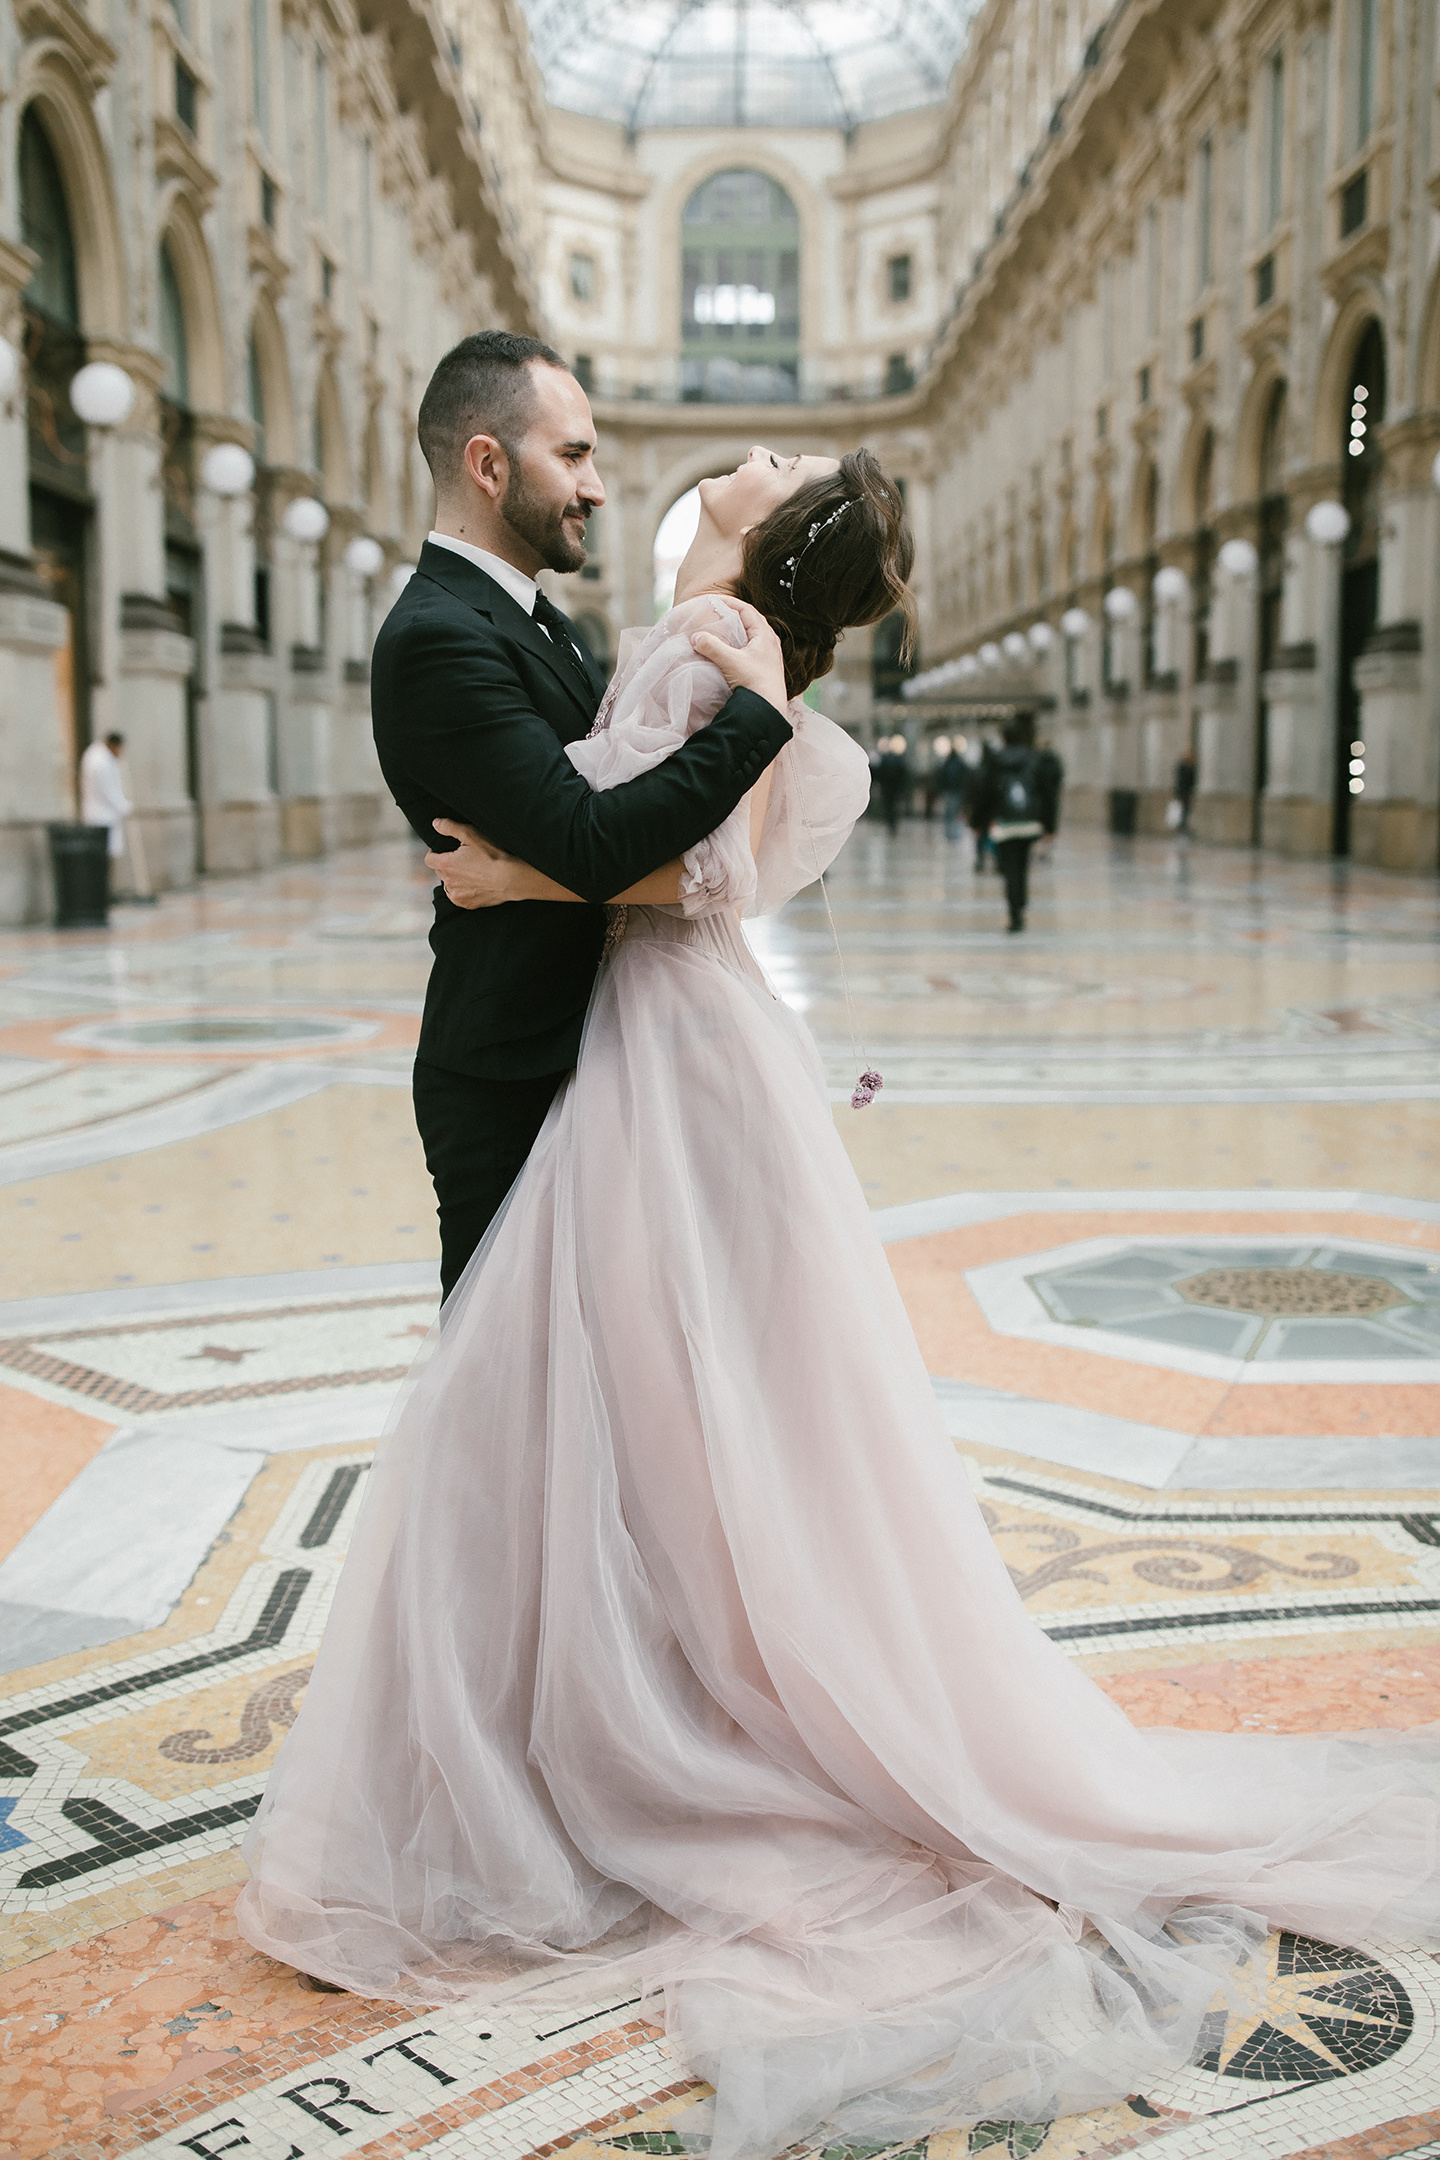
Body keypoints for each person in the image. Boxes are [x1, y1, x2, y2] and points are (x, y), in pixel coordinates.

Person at [239, 447, 1440, 2160]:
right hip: (664, 1040)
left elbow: (701, 871)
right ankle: (642, 1676)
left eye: (783, 465)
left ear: (777, 534)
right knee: (655, 1382)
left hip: (671, 1039)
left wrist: (526, 879)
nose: (754, 453)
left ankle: (645, 1708)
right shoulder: (704, 621)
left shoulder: (723, 634)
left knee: (633, 1375)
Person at [369, 331, 795, 1299]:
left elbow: (602, 812)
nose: (596, 487)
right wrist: (756, 723)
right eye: (572, 456)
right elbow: (593, 839)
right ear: (487, 464)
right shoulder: (440, 638)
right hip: (509, 1075)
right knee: (507, 1400)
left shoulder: (535, 620)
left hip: (585, 1048)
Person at [969, 716, 1057, 931]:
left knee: (1009, 868)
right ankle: (1021, 901)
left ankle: (1014, 912)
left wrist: (977, 823)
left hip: (1004, 824)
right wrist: (1050, 825)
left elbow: (986, 794)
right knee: (1023, 865)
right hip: (1028, 823)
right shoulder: (1033, 759)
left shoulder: (996, 761)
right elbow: (1046, 793)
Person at [79, 731, 131, 884]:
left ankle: (106, 889)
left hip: (103, 815)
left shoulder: (99, 757)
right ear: (113, 745)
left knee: (106, 856)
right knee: (102, 857)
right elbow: (108, 791)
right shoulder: (100, 762)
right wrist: (125, 807)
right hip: (101, 817)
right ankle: (103, 890)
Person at [935, 734, 969, 840]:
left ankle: (948, 833)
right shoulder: (960, 763)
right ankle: (956, 834)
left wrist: (941, 790)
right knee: (956, 812)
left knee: (949, 813)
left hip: (949, 790)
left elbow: (941, 777)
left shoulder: (947, 763)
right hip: (957, 790)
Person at [875, 732, 909, 831]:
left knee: (888, 806)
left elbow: (879, 774)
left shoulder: (884, 759)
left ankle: (890, 823)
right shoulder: (899, 760)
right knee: (894, 806)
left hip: (887, 788)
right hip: (895, 788)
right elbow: (903, 775)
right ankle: (893, 823)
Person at [1174, 745, 1197, 832]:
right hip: (1183, 793)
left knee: (1186, 810)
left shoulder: (1191, 767)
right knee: (1183, 810)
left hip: (1187, 792)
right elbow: (1181, 781)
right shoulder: (1183, 767)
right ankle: (1181, 827)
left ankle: (1183, 826)